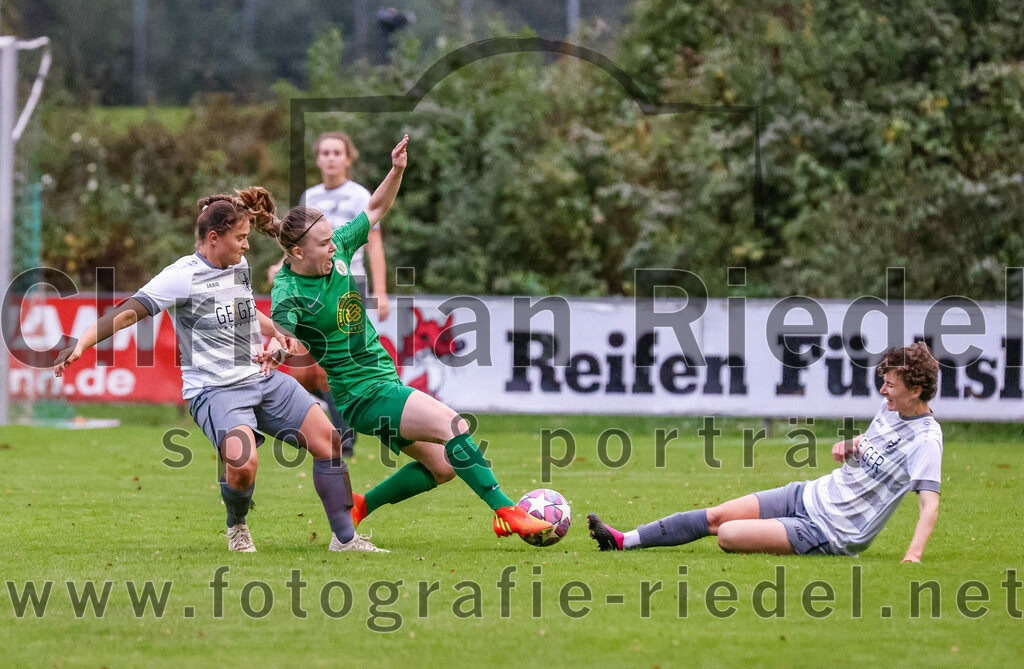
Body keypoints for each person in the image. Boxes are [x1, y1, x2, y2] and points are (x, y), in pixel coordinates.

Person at [252, 135, 553, 540]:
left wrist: (396, 170)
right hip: (362, 393)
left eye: (330, 240)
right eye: (323, 244)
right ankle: (508, 511)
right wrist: (274, 349)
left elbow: (374, 208)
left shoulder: (337, 248)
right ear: (297, 254)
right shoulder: (290, 290)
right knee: (454, 426)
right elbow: (282, 328)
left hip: (381, 381)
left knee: (443, 467)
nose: (332, 248)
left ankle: (361, 506)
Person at [53, 189, 387, 554]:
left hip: (261, 376)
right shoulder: (180, 277)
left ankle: (345, 539)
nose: (247, 246)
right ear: (214, 238)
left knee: (330, 442)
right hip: (214, 390)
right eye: (240, 238)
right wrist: (82, 342)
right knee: (243, 464)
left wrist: (276, 332)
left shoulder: (237, 267)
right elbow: (128, 312)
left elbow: (244, 310)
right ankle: (237, 525)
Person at [589, 342, 942, 561]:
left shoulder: (925, 441)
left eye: (891, 385)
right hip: (808, 494)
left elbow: (929, 504)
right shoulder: (891, 408)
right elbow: (874, 439)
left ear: (916, 390)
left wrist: (913, 556)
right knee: (717, 516)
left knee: (728, 535)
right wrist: (851, 445)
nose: (882, 390)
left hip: (831, 532)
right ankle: (622, 541)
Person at [268, 132, 390, 459]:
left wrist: (381, 290)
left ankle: (345, 434)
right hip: (311, 284)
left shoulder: (357, 194)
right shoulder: (311, 195)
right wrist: (282, 266)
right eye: (325, 152)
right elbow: (302, 243)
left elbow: (373, 242)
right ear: (318, 158)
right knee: (309, 365)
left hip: (348, 281)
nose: (331, 158)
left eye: (337, 152)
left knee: (338, 361)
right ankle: (331, 422)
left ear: (348, 158)